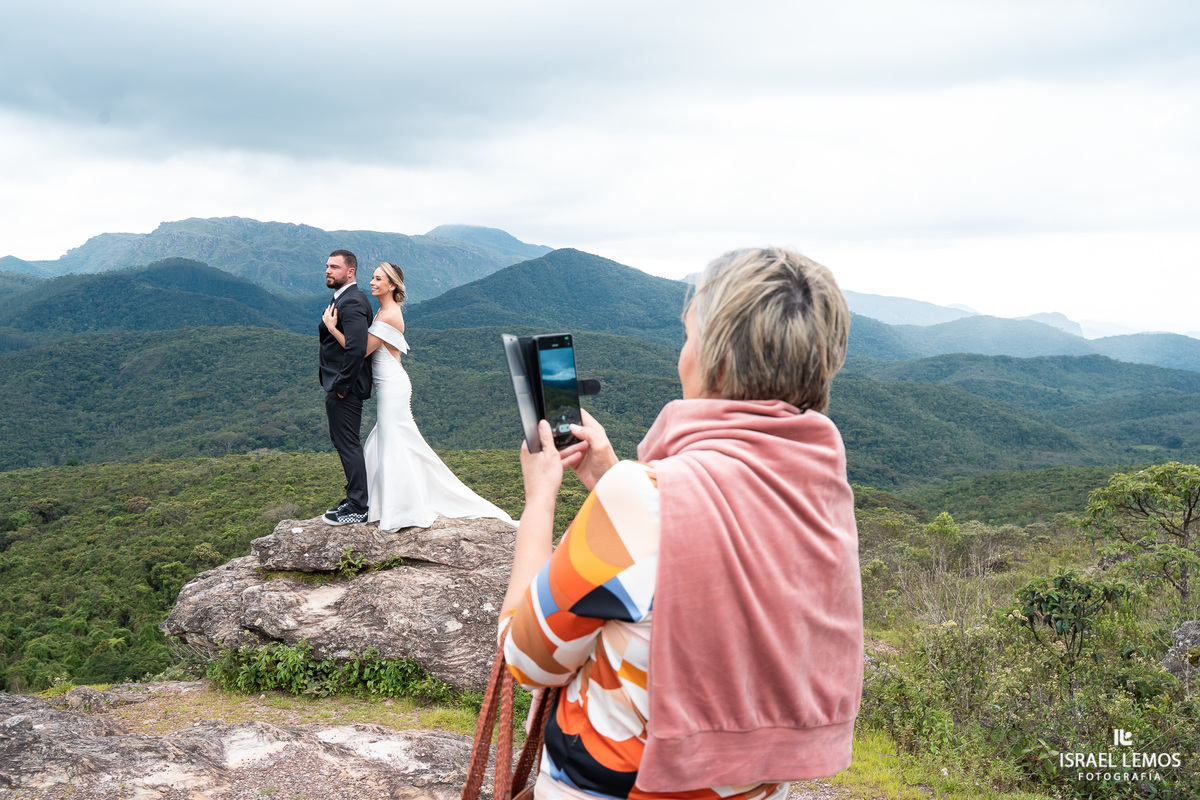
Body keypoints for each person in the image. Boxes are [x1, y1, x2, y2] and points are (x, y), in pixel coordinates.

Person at [500, 248, 863, 799]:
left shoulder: (639, 501)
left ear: (716, 362)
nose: (681, 355)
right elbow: (708, 543)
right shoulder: (821, 493)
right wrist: (611, 475)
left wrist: (539, 502)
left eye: (689, 337)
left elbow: (527, 659)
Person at [322, 262, 514, 530]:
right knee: (389, 437)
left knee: (394, 437)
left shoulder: (389, 315)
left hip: (392, 385)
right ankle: (382, 500)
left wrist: (332, 327)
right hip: (388, 383)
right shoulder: (383, 310)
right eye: (373, 278)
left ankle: (400, 506)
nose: (373, 282)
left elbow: (361, 350)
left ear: (391, 285)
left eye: (378, 279)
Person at [319, 249, 373, 526]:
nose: (328, 270)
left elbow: (356, 349)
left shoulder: (351, 302)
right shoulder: (345, 297)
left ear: (350, 271)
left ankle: (358, 505)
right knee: (344, 442)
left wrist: (341, 386)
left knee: (347, 443)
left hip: (345, 386)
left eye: (334, 267)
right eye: (327, 266)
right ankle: (355, 498)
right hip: (342, 383)